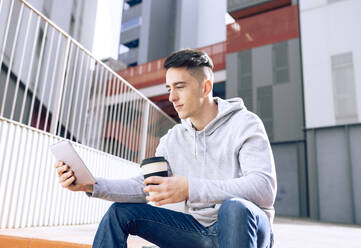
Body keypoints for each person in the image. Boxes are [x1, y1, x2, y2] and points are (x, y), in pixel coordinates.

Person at [55, 49, 277, 248]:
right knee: (120, 213)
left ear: (205, 87)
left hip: (248, 232)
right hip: (197, 232)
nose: (172, 97)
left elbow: (264, 188)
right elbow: (146, 186)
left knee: (235, 208)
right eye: (169, 88)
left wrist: (190, 188)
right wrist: (92, 185)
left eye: (180, 87)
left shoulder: (245, 123)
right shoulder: (173, 139)